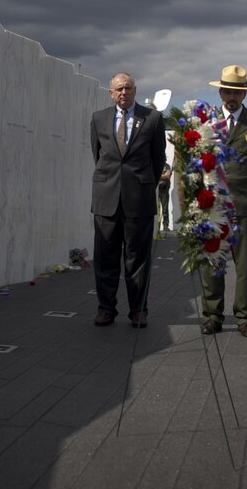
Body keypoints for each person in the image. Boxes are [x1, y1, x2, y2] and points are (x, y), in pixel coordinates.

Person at [200, 65, 247, 338]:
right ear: (220, 92)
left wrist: (246, 190)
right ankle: (213, 316)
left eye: (238, 92)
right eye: (228, 90)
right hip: (213, 207)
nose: (232, 96)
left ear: (245, 95)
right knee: (213, 265)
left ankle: (245, 318)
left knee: (245, 266)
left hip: (246, 206)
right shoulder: (206, 123)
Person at [90, 72, 167, 328]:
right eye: (119, 89)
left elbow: (157, 160)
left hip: (139, 200)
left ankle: (138, 310)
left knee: (137, 259)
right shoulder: (99, 119)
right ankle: (106, 308)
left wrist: (142, 185)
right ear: (111, 94)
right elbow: (98, 154)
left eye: (128, 88)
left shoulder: (153, 119)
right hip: (106, 199)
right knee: (105, 258)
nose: (124, 93)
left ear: (135, 90)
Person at [157, 162, 172, 234]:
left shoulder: (167, 166)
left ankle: (165, 225)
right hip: (156, 190)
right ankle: (157, 226)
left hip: (164, 189)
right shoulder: (156, 164)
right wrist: (163, 175)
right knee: (156, 209)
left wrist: (158, 175)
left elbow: (167, 175)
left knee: (165, 208)